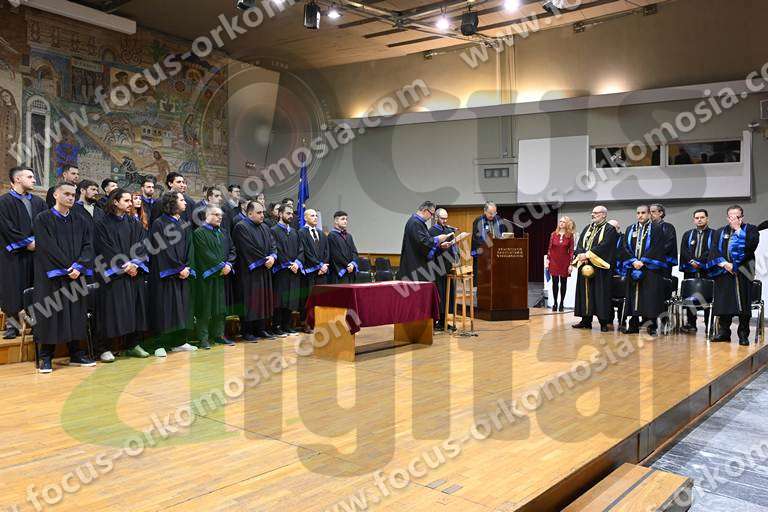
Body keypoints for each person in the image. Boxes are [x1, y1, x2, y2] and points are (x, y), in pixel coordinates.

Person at [33, 182, 96, 373]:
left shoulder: (81, 220)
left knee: (76, 314)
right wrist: (67, 267)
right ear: (56, 195)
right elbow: (46, 247)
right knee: (50, 314)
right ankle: (46, 356)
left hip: (76, 275)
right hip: (52, 276)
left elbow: (88, 246)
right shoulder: (43, 218)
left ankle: (76, 353)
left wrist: (78, 266)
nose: (70, 198)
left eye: (73, 195)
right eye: (66, 194)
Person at [93, 189, 151, 362]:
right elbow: (104, 248)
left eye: (130, 200)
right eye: (126, 200)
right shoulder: (101, 224)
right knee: (110, 311)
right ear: (115, 202)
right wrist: (125, 265)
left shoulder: (134, 223)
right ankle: (104, 348)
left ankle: (132, 345)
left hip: (133, 273)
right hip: (113, 275)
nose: (130, 204)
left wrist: (135, 264)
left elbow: (142, 245)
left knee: (136, 309)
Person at [148, 191, 197, 356]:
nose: (185, 202)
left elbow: (190, 247)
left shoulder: (184, 223)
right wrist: (178, 268)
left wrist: (187, 266)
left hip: (183, 273)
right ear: (172, 203)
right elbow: (162, 249)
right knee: (165, 309)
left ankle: (179, 342)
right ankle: (159, 344)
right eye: (182, 200)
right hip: (166, 275)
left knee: (182, 309)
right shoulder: (159, 223)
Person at [0, 166, 47, 339]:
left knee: (35, 288)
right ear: (17, 179)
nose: (34, 180)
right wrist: (27, 243)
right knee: (13, 289)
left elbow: (45, 224)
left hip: (36, 253)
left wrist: (38, 242)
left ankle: (35, 324)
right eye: (30, 176)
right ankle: (12, 325)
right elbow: (6, 227)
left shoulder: (38, 202)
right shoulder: (4, 202)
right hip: (13, 253)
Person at [710, 205, 760, 345]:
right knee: (724, 303)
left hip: (743, 272)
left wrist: (738, 229)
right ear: (727, 218)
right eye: (731, 216)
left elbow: (751, 247)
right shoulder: (720, 232)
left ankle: (743, 334)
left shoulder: (751, 229)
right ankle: (724, 333)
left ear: (742, 217)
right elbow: (713, 251)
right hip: (724, 272)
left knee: (743, 304)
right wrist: (725, 264)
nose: (733, 219)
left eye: (736, 216)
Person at [191, 205, 236, 349]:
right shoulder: (199, 233)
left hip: (222, 276)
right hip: (207, 276)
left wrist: (229, 265)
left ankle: (219, 335)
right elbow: (204, 253)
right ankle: (203, 338)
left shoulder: (224, 232)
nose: (220, 217)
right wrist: (221, 267)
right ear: (207, 216)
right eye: (216, 215)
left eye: (221, 215)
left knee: (220, 307)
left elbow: (232, 250)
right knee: (204, 308)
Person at [233, 201, 276, 341]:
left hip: (264, 269)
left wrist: (273, 257)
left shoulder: (265, 227)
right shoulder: (241, 227)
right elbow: (247, 248)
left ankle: (261, 329)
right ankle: (247, 331)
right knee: (250, 301)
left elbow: (273, 244)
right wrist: (264, 260)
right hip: (249, 271)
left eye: (263, 212)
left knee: (263, 300)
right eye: (259, 213)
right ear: (250, 213)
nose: (262, 215)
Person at [621, 205, 667, 336]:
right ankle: (633, 324)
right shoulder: (630, 229)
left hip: (650, 269)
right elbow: (625, 247)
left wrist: (643, 261)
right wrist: (633, 261)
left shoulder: (657, 228)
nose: (640, 215)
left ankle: (651, 326)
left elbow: (657, 247)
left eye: (643, 213)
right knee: (633, 297)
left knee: (650, 297)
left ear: (649, 214)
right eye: (638, 213)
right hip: (633, 268)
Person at [571, 206, 617, 332]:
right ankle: (586, 321)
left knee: (600, 295)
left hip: (600, 269)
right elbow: (580, 244)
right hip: (585, 266)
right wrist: (581, 255)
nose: (593, 215)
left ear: (604, 215)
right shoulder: (588, 228)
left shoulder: (609, 229)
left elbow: (605, 246)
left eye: (596, 213)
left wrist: (588, 255)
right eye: (592, 213)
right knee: (585, 293)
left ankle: (603, 322)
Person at [679, 209, 714, 333]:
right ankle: (691, 323)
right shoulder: (688, 234)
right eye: (697, 218)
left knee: (707, 298)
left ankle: (709, 324)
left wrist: (699, 263)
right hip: (690, 269)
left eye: (702, 217)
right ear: (694, 220)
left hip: (707, 271)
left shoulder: (714, 234)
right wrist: (691, 261)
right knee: (691, 297)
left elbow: (712, 251)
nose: (699, 220)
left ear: (707, 218)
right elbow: (684, 251)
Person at [397, 201, 451, 282]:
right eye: (431, 214)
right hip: (414, 265)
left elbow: (423, 242)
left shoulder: (418, 222)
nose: (431, 217)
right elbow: (423, 242)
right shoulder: (415, 223)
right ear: (425, 210)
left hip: (416, 264)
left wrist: (439, 246)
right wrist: (438, 239)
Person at [271, 204, 303, 336]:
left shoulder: (295, 232)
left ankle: (287, 325)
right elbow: (276, 249)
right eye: (288, 213)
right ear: (280, 214)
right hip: (281, 271)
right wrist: (289, 263)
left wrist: (297, 263)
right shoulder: (274, 231)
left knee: (291, 299)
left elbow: (301, 249)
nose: (291, 216)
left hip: (294, 270)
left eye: (292, 214)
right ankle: (277, 326)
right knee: (280, 299)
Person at [298, 208, 329, 333]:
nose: (315, 217)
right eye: (312, 215)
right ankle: (306, 323)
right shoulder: (301, 232)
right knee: (308, 298)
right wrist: (319, 265)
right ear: (305, 218)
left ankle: (319, 322)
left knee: (321, 298)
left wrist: (324, 265)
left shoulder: (321, 233)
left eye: (316, 215)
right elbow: (306, 251)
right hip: (309, 272)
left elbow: (327, 251)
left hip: (322, 272)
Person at [429, 208, 459, 331]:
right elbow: (428, 248)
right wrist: (439, 246)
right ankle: (436, 322)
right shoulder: (431, 231)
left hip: (447, 266)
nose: (445, 220)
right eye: (442, 218)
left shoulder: (448, 230)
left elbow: (453, 247)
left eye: (446, 218)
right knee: (439, 295)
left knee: (447, 294)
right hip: (436, 266)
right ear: (436, 218)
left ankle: (444, 321)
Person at [471, 201, 510, 276]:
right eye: (490, 213)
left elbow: (503, 234)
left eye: (494, 213)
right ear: (485, 211)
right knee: (482, 277)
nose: (492, 215)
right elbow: (476, 239)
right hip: (482, 254)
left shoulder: (499, 220)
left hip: (496, 253)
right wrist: (488, 246)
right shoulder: (478, 220)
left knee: (496, 275)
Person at [546, 216, 575, 312]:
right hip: (554, 261)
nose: (561, 223)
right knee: (554, 282)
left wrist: (571, 264)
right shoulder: (553, 234)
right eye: (560, 221)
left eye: (563, 222)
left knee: (563, 283)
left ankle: (562, 302)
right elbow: (550, 248)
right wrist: (548, 260)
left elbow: (571, 251)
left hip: (565, 262)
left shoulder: (570, 235)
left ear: (567, 224)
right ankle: (555, 303)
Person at [327, 211, 359, 284]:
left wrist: (352, 264)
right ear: (336, 221)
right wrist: (347, 266)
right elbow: (335, 255)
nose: (345, 221)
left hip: (350, 272)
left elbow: (354, 252)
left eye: (346, 219)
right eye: (343, 219)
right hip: (339, 272)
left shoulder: (349, 236)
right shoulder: (331, 235)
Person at [650, 203, 678, 278]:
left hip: (664, 261)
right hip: (650, 261)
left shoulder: (668, 227)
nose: (651, 214)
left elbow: (669, 244)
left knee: (663, 282)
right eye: (650, 212)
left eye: (653, 211)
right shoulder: (648, 228)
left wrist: (654, 254)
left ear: (661, 213)